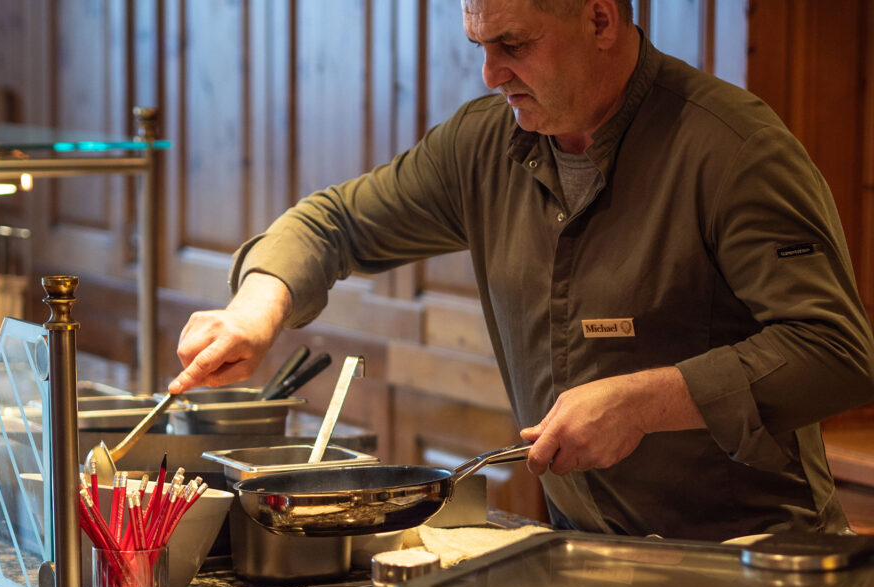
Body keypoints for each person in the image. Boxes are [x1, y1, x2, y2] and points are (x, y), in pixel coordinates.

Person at [169, 0, 874, 540]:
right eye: (481, 46)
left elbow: (836, 353)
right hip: (586, 555)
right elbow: (335, 222)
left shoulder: (732, 149)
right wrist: (256, 308)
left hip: (749, 563)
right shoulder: (482, 144)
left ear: (599, 19)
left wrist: (643, 402)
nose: (491, 73)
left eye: (514, 44)